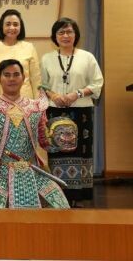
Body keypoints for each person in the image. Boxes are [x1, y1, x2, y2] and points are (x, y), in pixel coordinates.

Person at [0, 59, 70, 209]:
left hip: (32, 171)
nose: (12, 79)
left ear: (23, 78)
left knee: (61, 208)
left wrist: (60, 141)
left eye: (16, 74)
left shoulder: (36, 107)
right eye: (6, 75)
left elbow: (44, 142)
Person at [41, 17, 104, 207]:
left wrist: (76, 94)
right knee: (58, 152)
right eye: (61, 32)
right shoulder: (47, 58)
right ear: (55, 36)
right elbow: (42, 85)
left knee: (80, 152)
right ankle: (60, 195)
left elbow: (97, 83)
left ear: (76, 35)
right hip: (55, 110)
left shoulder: (87, 57)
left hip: (82, 111)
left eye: (69, 32)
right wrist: (54, 95)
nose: (66, 36)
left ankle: (80, 195)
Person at [0, 9, 41, 99]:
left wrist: (38, 103)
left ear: (20, 27)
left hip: (26, 102)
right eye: (8, 24)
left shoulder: (29, 47)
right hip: (0, 102)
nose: (12, 28)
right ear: (2, 27)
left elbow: (36, 80)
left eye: (15, 24)